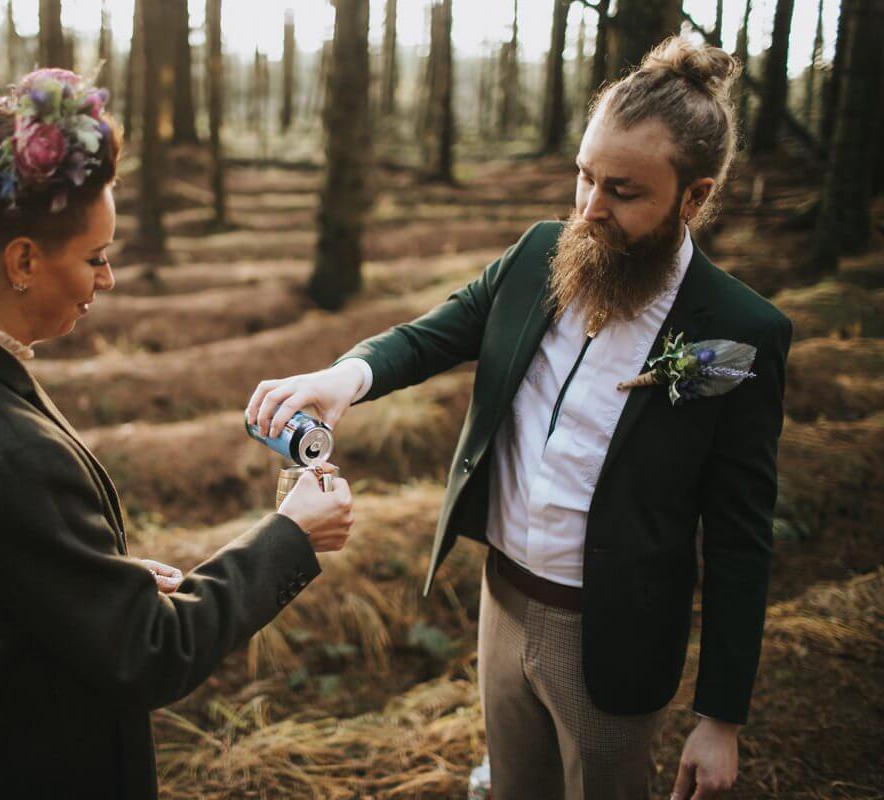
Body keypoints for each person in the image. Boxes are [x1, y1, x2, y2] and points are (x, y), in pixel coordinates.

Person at [247, 39, 791, 800]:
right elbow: (438, 330)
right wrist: (344, 379)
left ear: (693, 197)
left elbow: (741, 538)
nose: (589, 209)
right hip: (499, 601)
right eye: (583, 177)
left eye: (623, 192)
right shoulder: (543, 251)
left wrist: (721, 717)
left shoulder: (740, 332)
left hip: (613, 639)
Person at [0, 69, 354, 800]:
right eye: (96, 257)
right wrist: (292, 537)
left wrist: (85, 581)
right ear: (22, 261)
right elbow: (152, 654)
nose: (106, 281)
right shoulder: (6, 450)